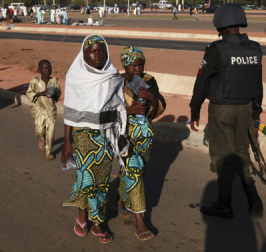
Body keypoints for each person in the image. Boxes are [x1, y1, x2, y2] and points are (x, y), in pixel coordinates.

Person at [190, 3, 264, 218]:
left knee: (223, 157)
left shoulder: (216, 49)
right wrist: (256, 115)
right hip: (245, 110)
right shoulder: (255, 48)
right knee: (241, 153)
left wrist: (195, 110)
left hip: (222, 110)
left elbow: (201, 82)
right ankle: (253, 198)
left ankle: (224, 203)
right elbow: (258, 85)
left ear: (220, 24)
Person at [62, 34, 128, 244]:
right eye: (93, 51)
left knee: (101, 181)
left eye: (101, 50)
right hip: (83, 137)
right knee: (87, 178)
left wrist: (121, 137)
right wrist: (67, 142)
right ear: (84, 54)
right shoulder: (75, 76)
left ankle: (83, 215)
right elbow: (69, 111)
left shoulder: (113, 76)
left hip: (106, 136)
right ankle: (96, 222)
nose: (98, 55)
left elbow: (119, 107)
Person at [117, 46, 166, 241]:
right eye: (133, 65)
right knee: (134, 171)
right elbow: (107, 109)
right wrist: (128, 111)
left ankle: (121, 198)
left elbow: (160, 105)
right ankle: (140, 222)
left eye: (141, 64)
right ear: (125, 65)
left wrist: (152, 98)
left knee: (131, 171)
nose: (138, 69)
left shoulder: (149, 81)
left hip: (145, 136)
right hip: (124, 135)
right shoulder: (117, 82)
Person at [26, 60, 61, 160]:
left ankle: (48, 152)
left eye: (49, 68)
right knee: (40, 131)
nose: (47, 70)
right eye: (44, 68)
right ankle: (41, 139)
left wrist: (54, 94)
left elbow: (58, 94)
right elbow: (29, 93)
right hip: (39, 110)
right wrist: (41, 93)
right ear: (39, 70)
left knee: (51, 132)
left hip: (50, 110)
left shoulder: (54, 81)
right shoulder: (35, 81)